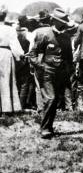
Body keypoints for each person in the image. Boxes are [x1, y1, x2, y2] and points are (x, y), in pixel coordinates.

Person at [29, 9, 74, 138]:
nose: (62, 24)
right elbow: (32, 54)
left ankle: (49, 127)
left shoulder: (66, 37)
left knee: (54, 101)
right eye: (60, 22)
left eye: (63, 22)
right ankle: (45, 129)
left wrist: (69, 70)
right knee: (50, 98)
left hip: (59, 73)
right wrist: (40, 65)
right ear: (53, 21)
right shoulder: (45, 34)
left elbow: (69, 57)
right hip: (46, 72)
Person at [0, 6, 24, 114]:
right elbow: (15, 45)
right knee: (6, 81)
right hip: (5, 54)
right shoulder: (9, 29)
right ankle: (7, 107)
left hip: (5, 52)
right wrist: (20, 56)